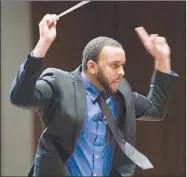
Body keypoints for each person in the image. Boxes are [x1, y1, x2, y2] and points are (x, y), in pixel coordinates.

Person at [9, 14, 177, 177]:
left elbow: (156, 109)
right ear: (92, 66)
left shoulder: (121, 93)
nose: (122, 72)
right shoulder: (60, 83)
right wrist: (43, 43)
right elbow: (20, 97)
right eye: (115, 65)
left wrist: (162, 58)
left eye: (123, 65)